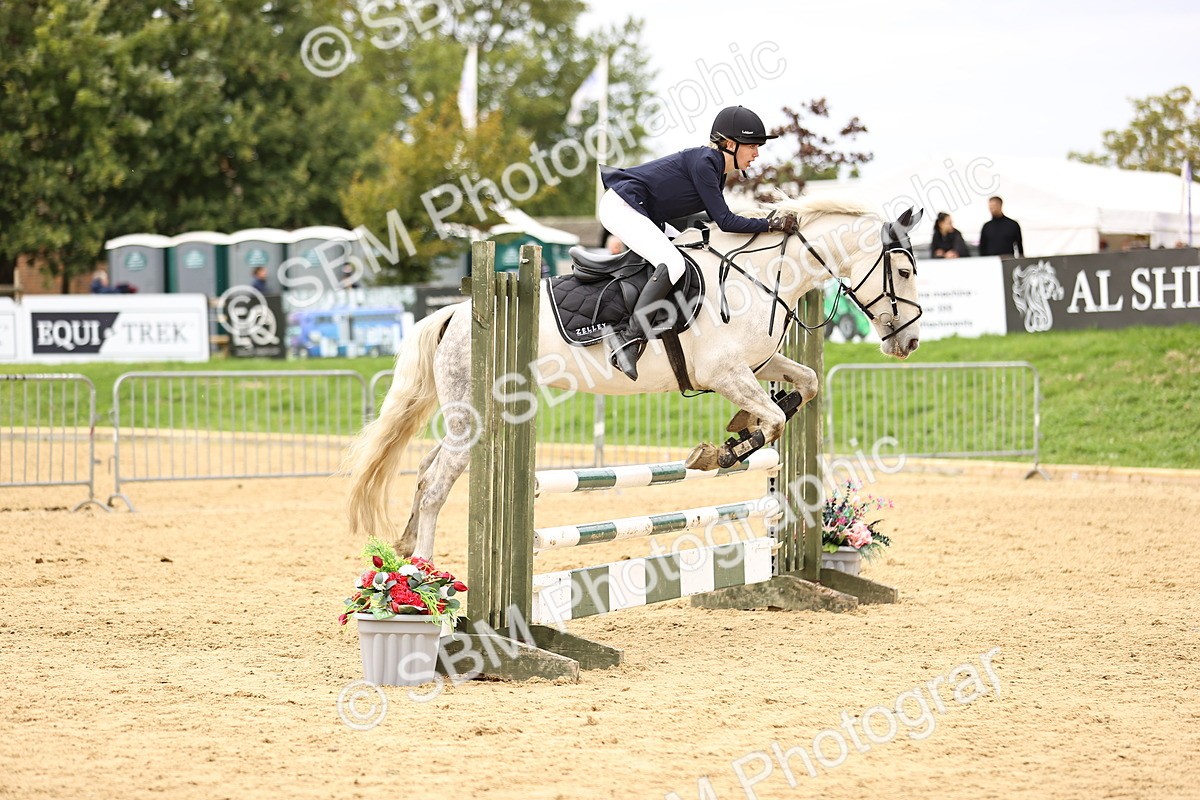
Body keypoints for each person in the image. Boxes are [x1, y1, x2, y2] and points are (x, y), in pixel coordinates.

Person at [598, 105, 796, 380]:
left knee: (688, 253)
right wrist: (770, 224)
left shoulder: (716, 169)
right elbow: (726, 221)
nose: (757, 153)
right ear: (730, 144)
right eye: (752, 146)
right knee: (673, 264)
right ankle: (628, 340)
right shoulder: (706, 163)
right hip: (622, 205)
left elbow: (714, 220)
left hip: (643, 211)